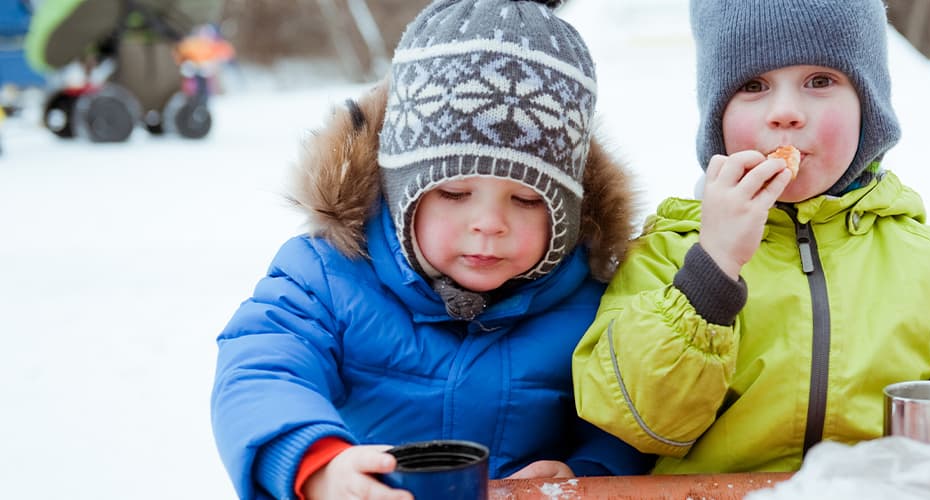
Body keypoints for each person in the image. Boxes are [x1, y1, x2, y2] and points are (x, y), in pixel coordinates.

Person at [572, 0, 930, 476]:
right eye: (753, 85)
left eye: (820, 80)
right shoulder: (669, 254)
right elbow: (633, 417)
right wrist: (713, 266)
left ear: (870, 111)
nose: (786, 112)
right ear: (716, 118)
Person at [210, 1, 651, 498]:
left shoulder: (594, 304)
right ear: (402, 193)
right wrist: (316, 464)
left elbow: (631, 420)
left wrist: (586, 471)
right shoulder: (327, 275)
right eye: (454, 194)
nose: (488, 224)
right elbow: (260, 369)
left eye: (527, 199)